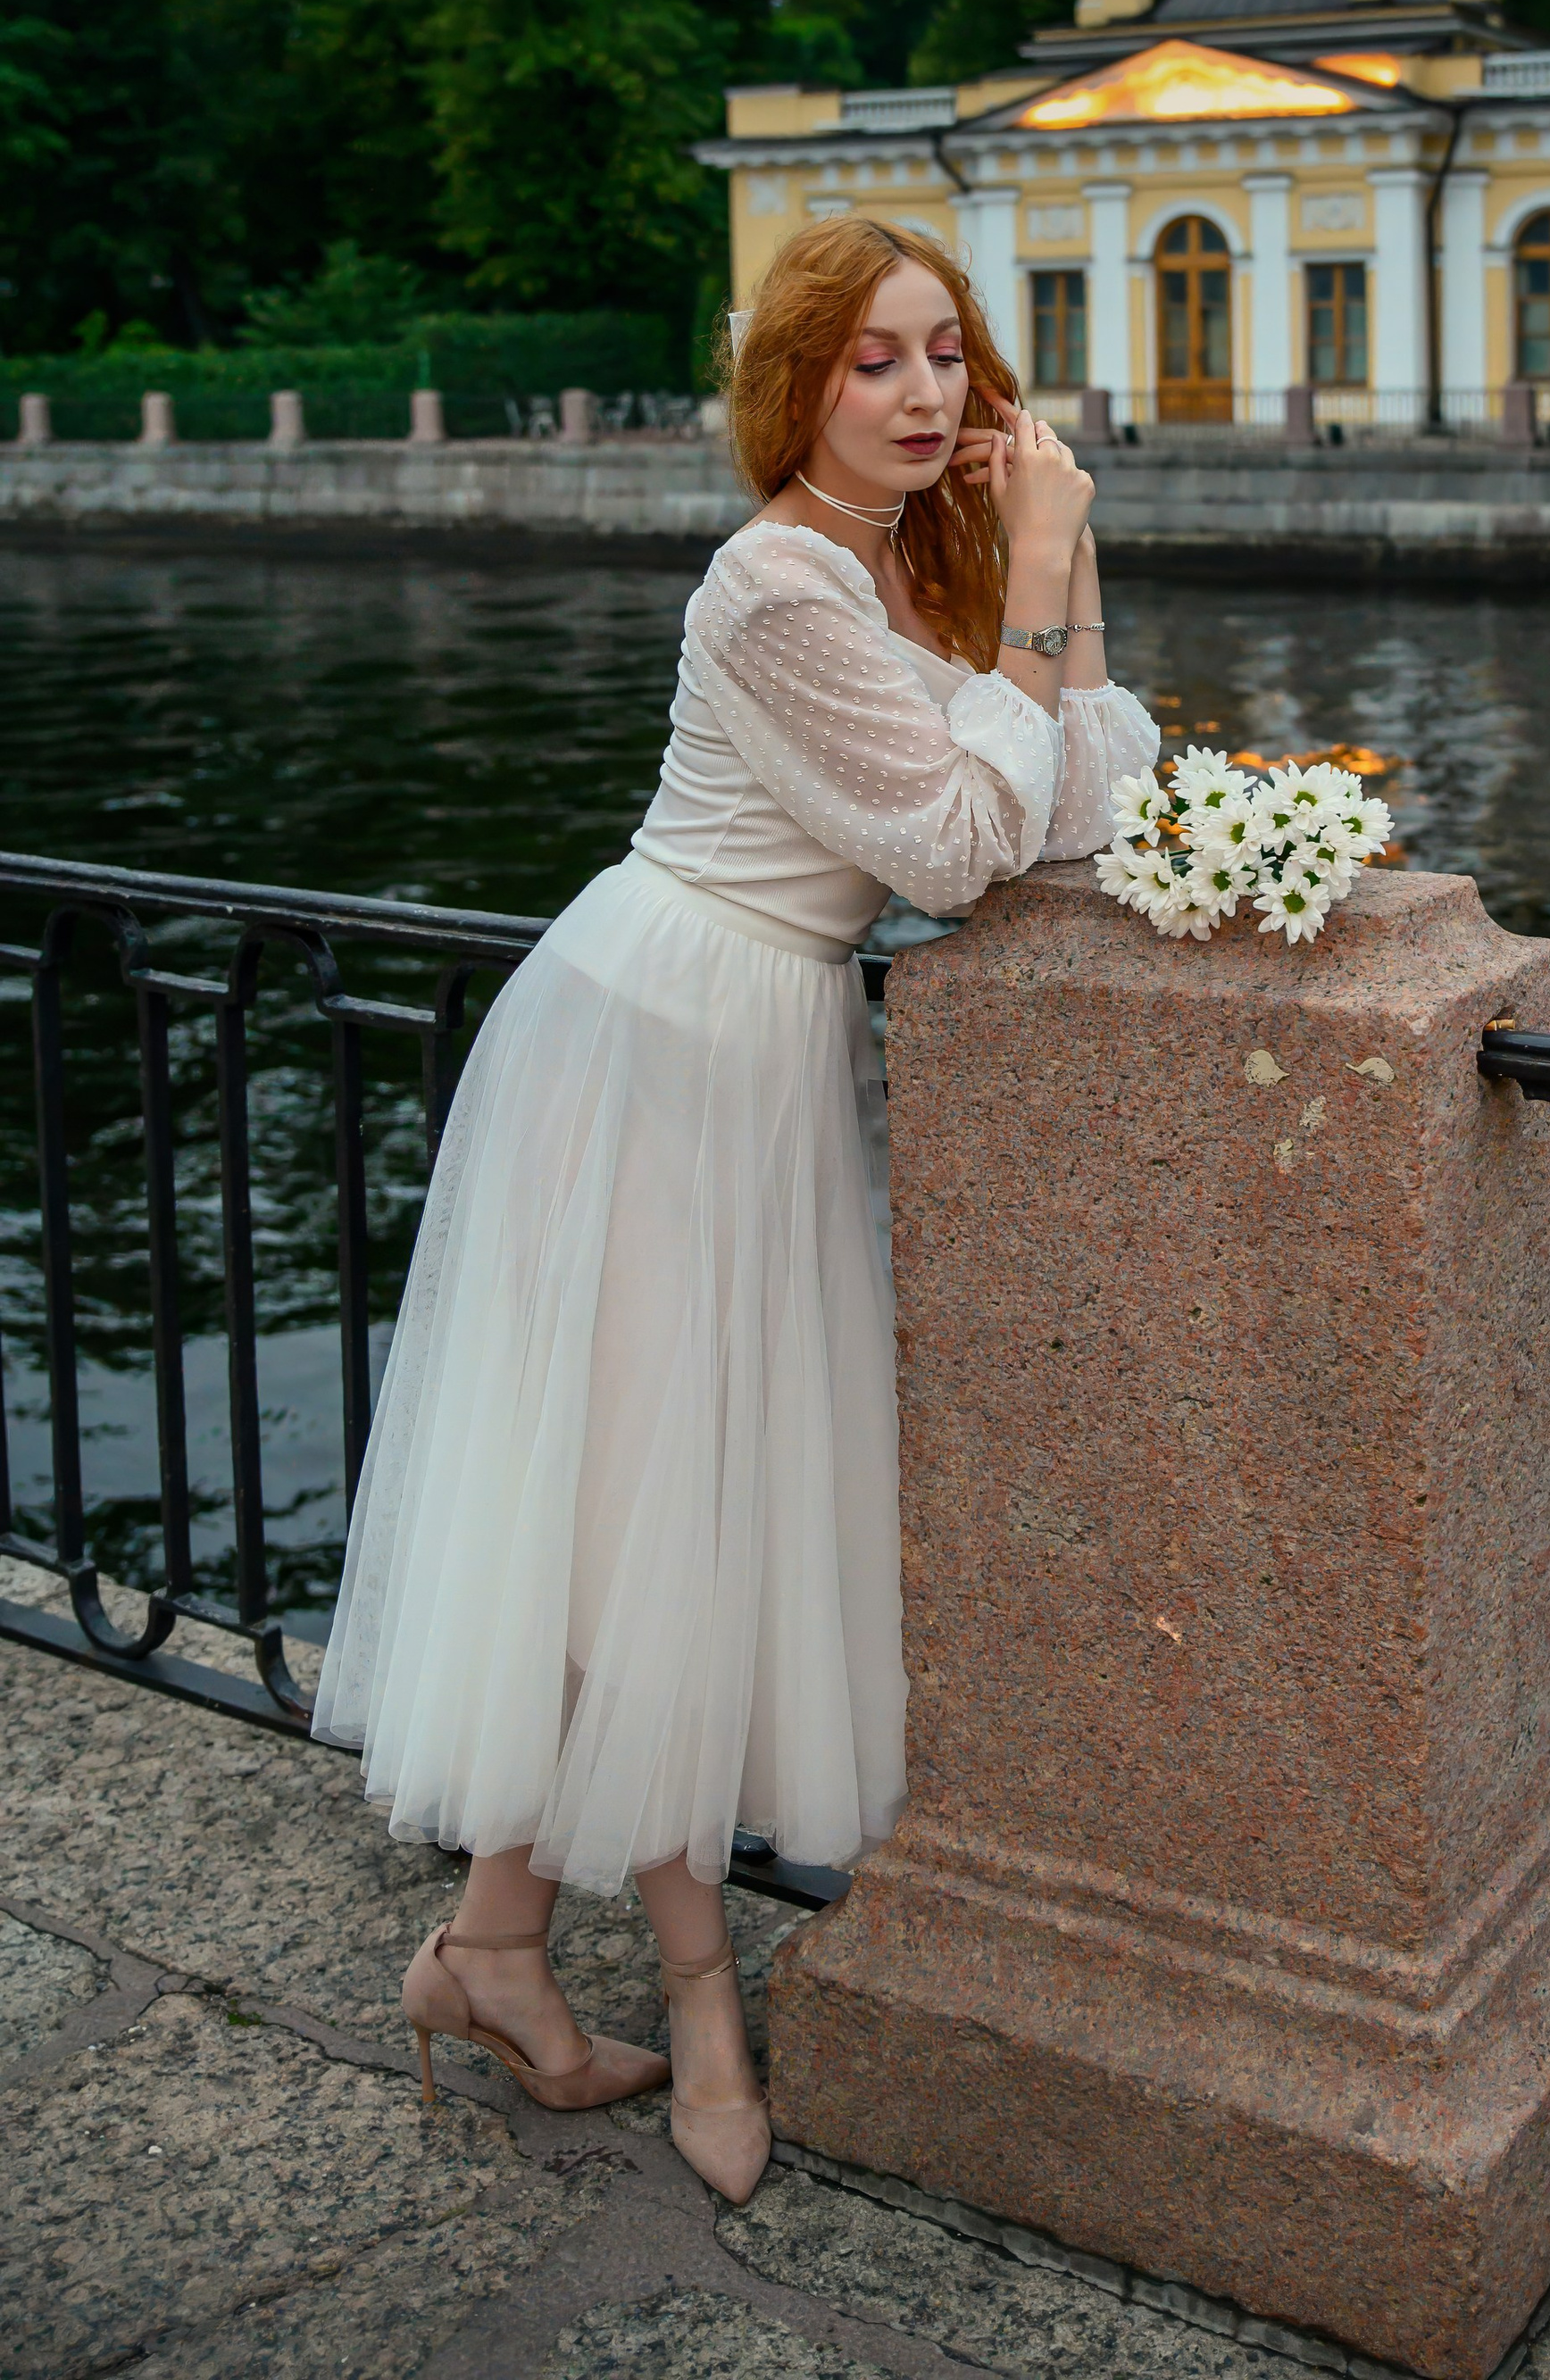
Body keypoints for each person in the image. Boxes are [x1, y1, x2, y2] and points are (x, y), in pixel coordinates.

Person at [313, 214, 1157, 2201]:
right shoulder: (773, 583)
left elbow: (1084, 800)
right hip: (655, 1042)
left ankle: (497, 1949)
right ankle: (692, 1991)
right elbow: (959, 850)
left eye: (947, 354)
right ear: (791, 382)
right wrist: (1030, 571)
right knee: (648, 1520)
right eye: (872, 360)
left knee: (654, 1522)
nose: (924, 394)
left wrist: (1067, 559)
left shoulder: (893, 564)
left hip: (759, 1057)